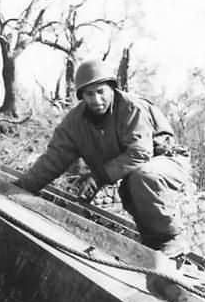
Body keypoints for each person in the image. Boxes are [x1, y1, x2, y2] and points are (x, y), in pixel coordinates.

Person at [15, 59, 193, 256]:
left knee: (143, 178)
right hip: (135, 170)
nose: (96, 100)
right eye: (89, 94)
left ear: (112, 89)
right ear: (81, 96)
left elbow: (139, 153)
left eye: (100, 92)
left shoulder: (130, 108)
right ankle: (152, 244)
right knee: (129, 188)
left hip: (167, 161)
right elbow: (54, 158)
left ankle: (171, 239)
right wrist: (22, 187)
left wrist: (98, 177)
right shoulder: (75, 122)